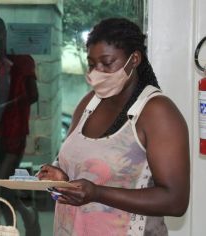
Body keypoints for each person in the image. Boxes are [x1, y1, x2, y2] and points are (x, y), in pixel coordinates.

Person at [37, 18, 190, 236]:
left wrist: (97, 193)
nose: (96, 72)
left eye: (107, 63)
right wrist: (62, 178)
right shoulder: (89, 103)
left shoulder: (157, 112)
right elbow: (81, 173)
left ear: (134, 59)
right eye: (91, 64)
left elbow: (175, 201)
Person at [0, 16, 40, 235]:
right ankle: (9, 227)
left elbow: (32, 96)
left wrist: (4, 105)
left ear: (2, 34)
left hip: (12, 132)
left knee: (1, 185)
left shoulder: (23, 61)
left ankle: (23, 216)